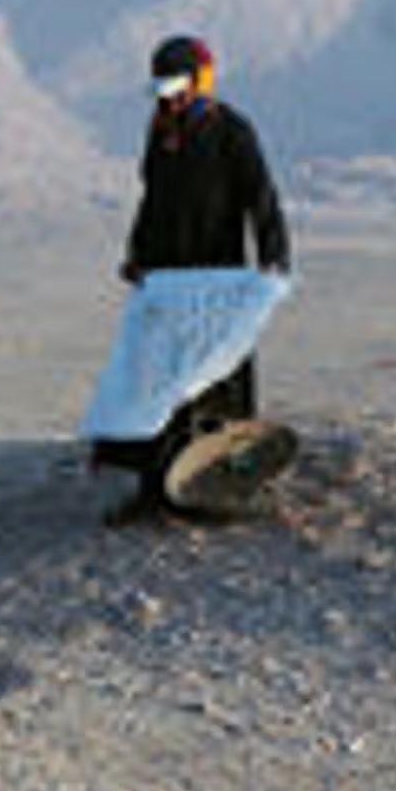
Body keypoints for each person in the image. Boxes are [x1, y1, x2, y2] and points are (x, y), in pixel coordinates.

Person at [101, 34, 291, 521]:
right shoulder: (160, 133)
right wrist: (137, 254)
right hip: (166, 279)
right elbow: (151, 200)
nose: (172, 96)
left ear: (203, 81)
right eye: (165, 88)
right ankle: (153, 490)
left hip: (217, 279)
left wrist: (273, 259)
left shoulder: (232, 131)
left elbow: (261, 198)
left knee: (218, 384)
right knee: (158, 381)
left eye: (180, 86)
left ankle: (225, 491)